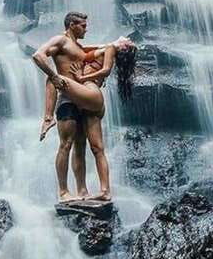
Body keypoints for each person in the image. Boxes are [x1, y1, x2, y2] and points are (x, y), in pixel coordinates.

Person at [31, 11, 136, 202]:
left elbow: (105, 51)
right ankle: (65, 191)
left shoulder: (79, 47)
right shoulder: (60, 41)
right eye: (83, 26)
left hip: (84, 96)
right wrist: (54, 75)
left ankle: (85, 192)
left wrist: (120, 44)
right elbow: (38, 55)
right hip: (67, 98)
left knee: (84, 146)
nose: (87, 29)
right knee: (67, 145)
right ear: (72, 25)